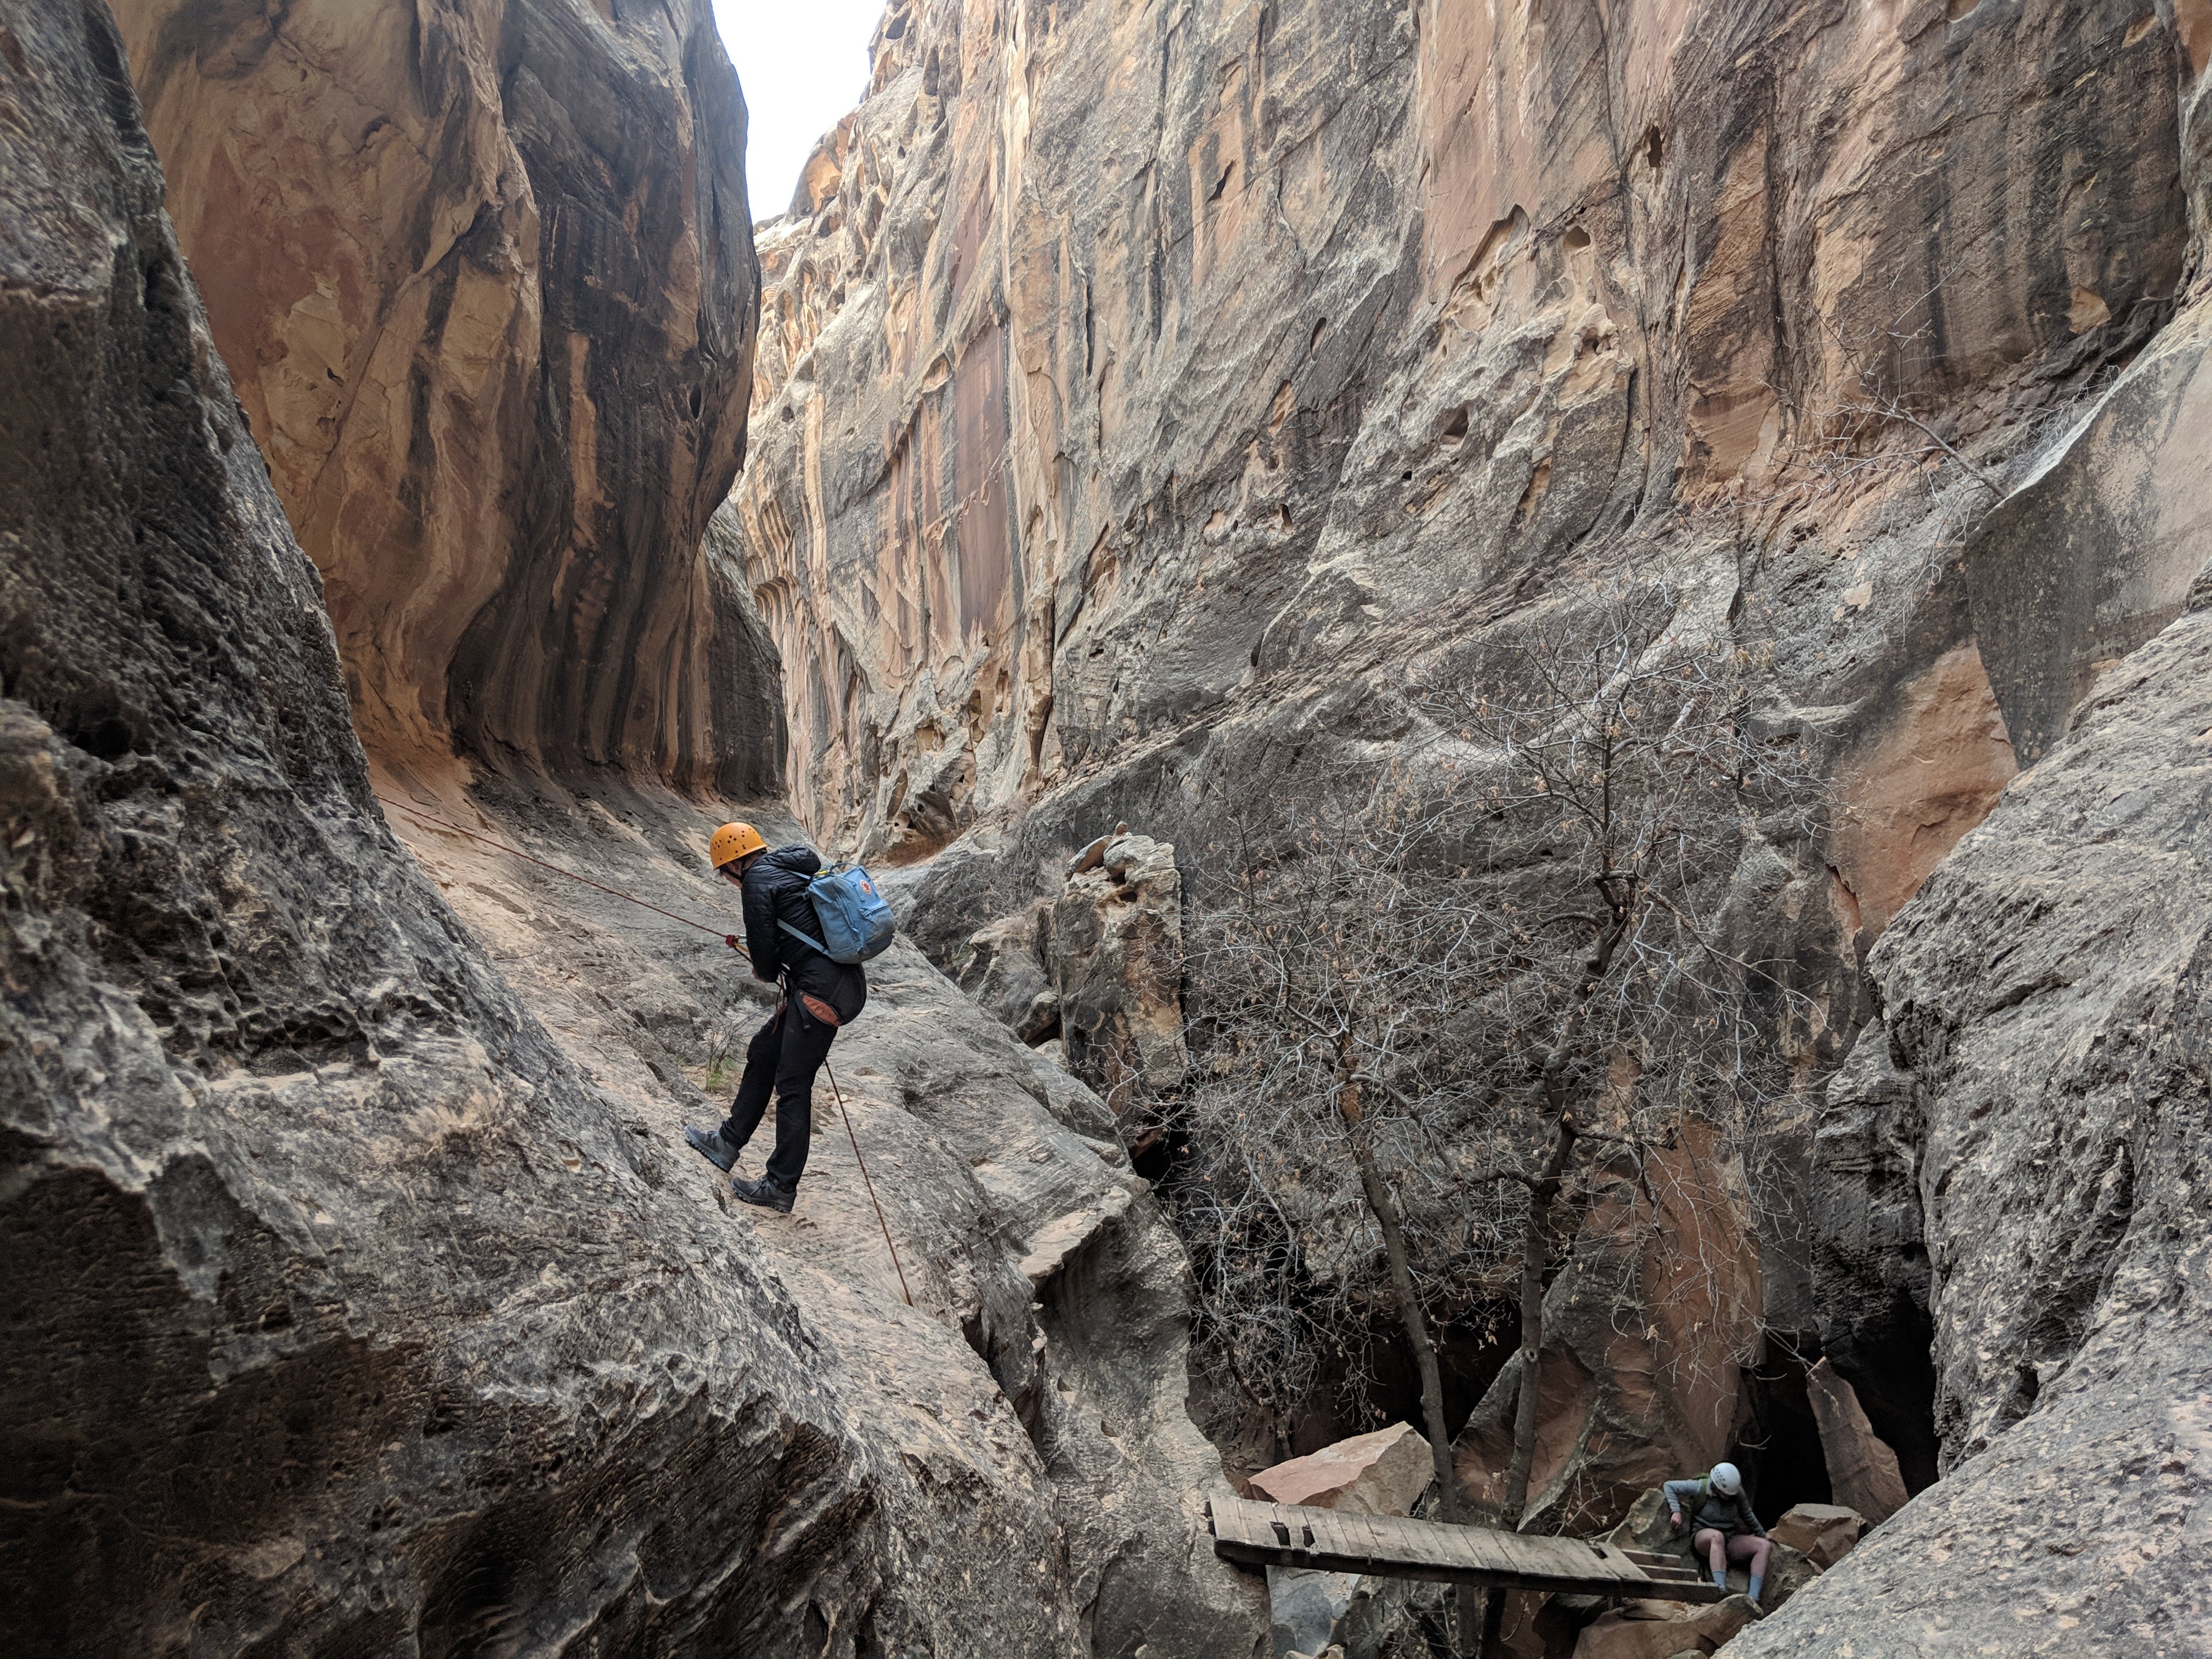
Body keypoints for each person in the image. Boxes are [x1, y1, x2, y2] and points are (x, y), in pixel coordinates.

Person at [683, 822, 867, 1212]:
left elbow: (767, 959)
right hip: (834, 985)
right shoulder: (790, 869)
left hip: (820, 992)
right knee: (764, 1053)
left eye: (726, 874)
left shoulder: (756, 881)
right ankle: (728, 1142)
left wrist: (762, 967)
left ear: (734, 864)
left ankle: (780, 1186)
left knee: (793, 1085)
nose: (729, 882)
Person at [1664, 1461, 1770, 1610]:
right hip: (1704, 1537)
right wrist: (1676, 1510)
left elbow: (1747, 1515)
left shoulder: (1737, 1494)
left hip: (1729, 1538)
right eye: (1725, 1494)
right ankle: (1719, 1589)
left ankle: (1753, 1598)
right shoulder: (1700, 1487)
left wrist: (1763, 1535)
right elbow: (1670, 1486)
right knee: (1717, 1537)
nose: (1728, 1497)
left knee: (1764, 1546)